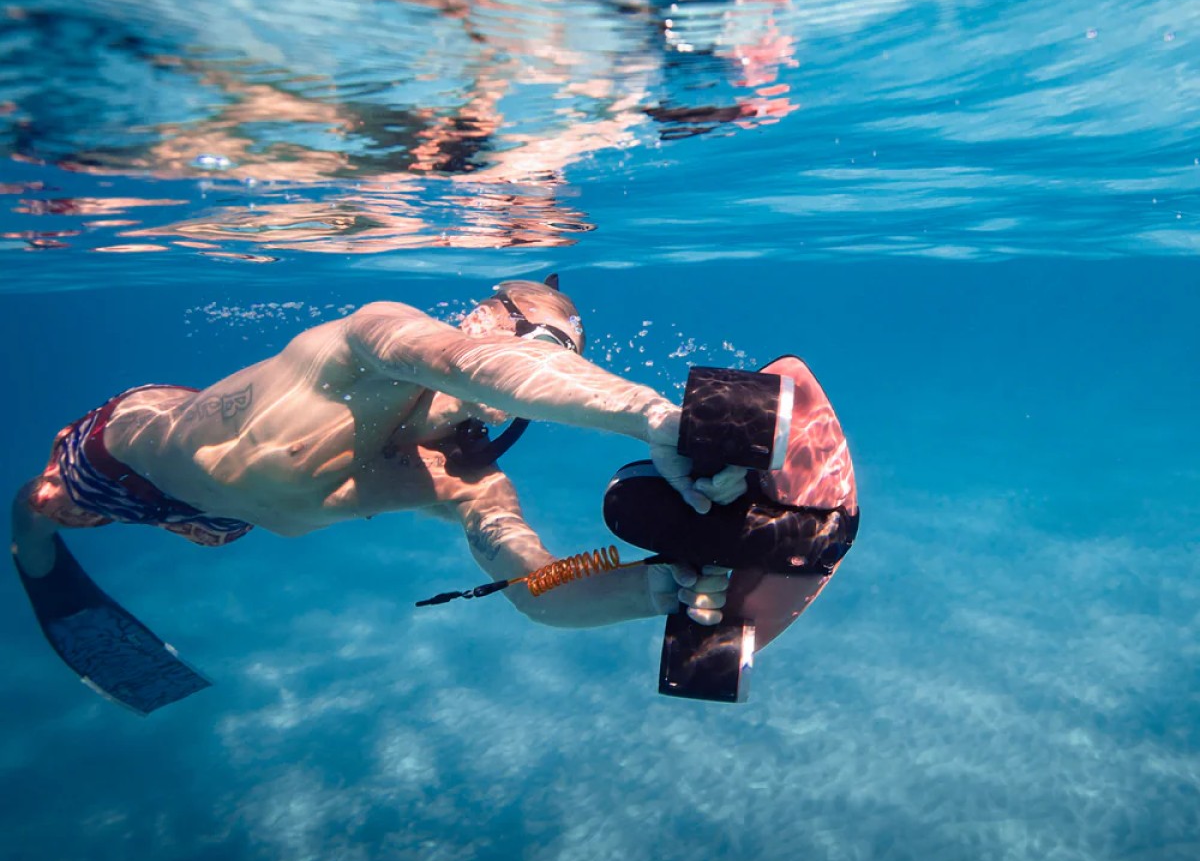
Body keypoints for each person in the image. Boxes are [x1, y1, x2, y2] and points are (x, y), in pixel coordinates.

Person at [12, 276, 746, 709]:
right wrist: (658, 416)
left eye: (562, 360)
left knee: (210, 527)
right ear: (485, 321)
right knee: (44, 508)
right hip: (125, 451)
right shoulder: (376, 337)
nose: (543, 374)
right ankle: (29, 544)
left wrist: (654, 592)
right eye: (542, 347)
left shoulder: (466, 481)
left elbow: (534, 587)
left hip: (218, 515)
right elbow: (465, 363)